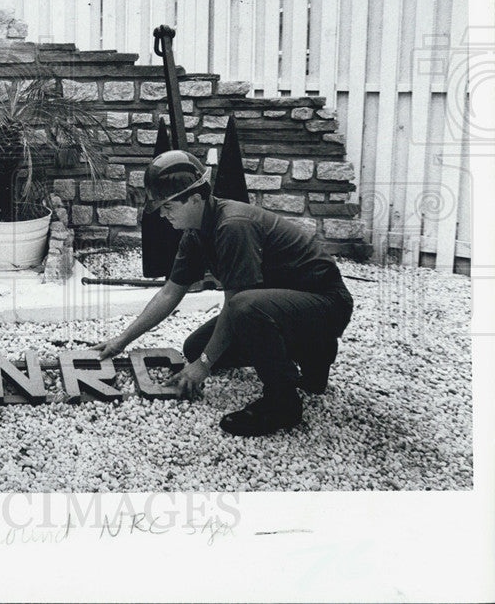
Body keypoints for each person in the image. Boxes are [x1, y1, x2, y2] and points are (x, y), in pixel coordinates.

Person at [93, 150, 353, 436]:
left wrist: (203, 367)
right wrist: (122, 340)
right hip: (287, 306)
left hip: (326, 305)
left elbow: (237, 304)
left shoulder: (233, 225)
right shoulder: (195, 232)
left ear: (195, 198)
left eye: (168, 207)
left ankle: (283, 402)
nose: (163, 216)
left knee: (242, 310)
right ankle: (311, 350)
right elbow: (169, 293)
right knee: (195, 348)